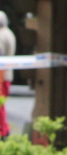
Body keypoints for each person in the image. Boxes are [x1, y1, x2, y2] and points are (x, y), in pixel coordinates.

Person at [0, 11, 15, 140]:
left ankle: (3, 130)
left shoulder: (1, 35)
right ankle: (4, 129)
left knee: (0, 104)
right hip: (7, 74)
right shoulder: (9, 33)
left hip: (1, 75)